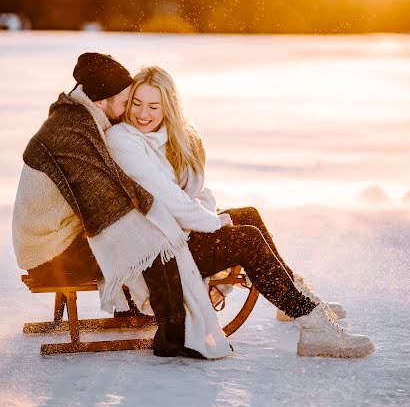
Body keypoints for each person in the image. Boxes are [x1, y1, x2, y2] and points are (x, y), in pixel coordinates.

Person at [105, 65, 375, 359]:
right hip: (158, 253)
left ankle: (294, 295)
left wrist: (208, 214)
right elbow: (170, 199)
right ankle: (311, 324)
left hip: (175, 233)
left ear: (168, 106)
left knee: (247, 214)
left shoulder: (165, 139)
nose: (142, 113)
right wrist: (212, 221)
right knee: (246, 238)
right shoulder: (124, 141)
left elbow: (197, 193)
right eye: (136, 103)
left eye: (153, 106)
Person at [12, 52, 214, 358]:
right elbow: (105, 198)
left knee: (145, 228)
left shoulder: (78, 119)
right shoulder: (72, 132)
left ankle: (149, 315)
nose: (128, 109)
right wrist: (161, 211)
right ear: (103, 99)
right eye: (124, 99)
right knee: (152, 240)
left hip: (50, 240)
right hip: (50, 255)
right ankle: (174, 332)